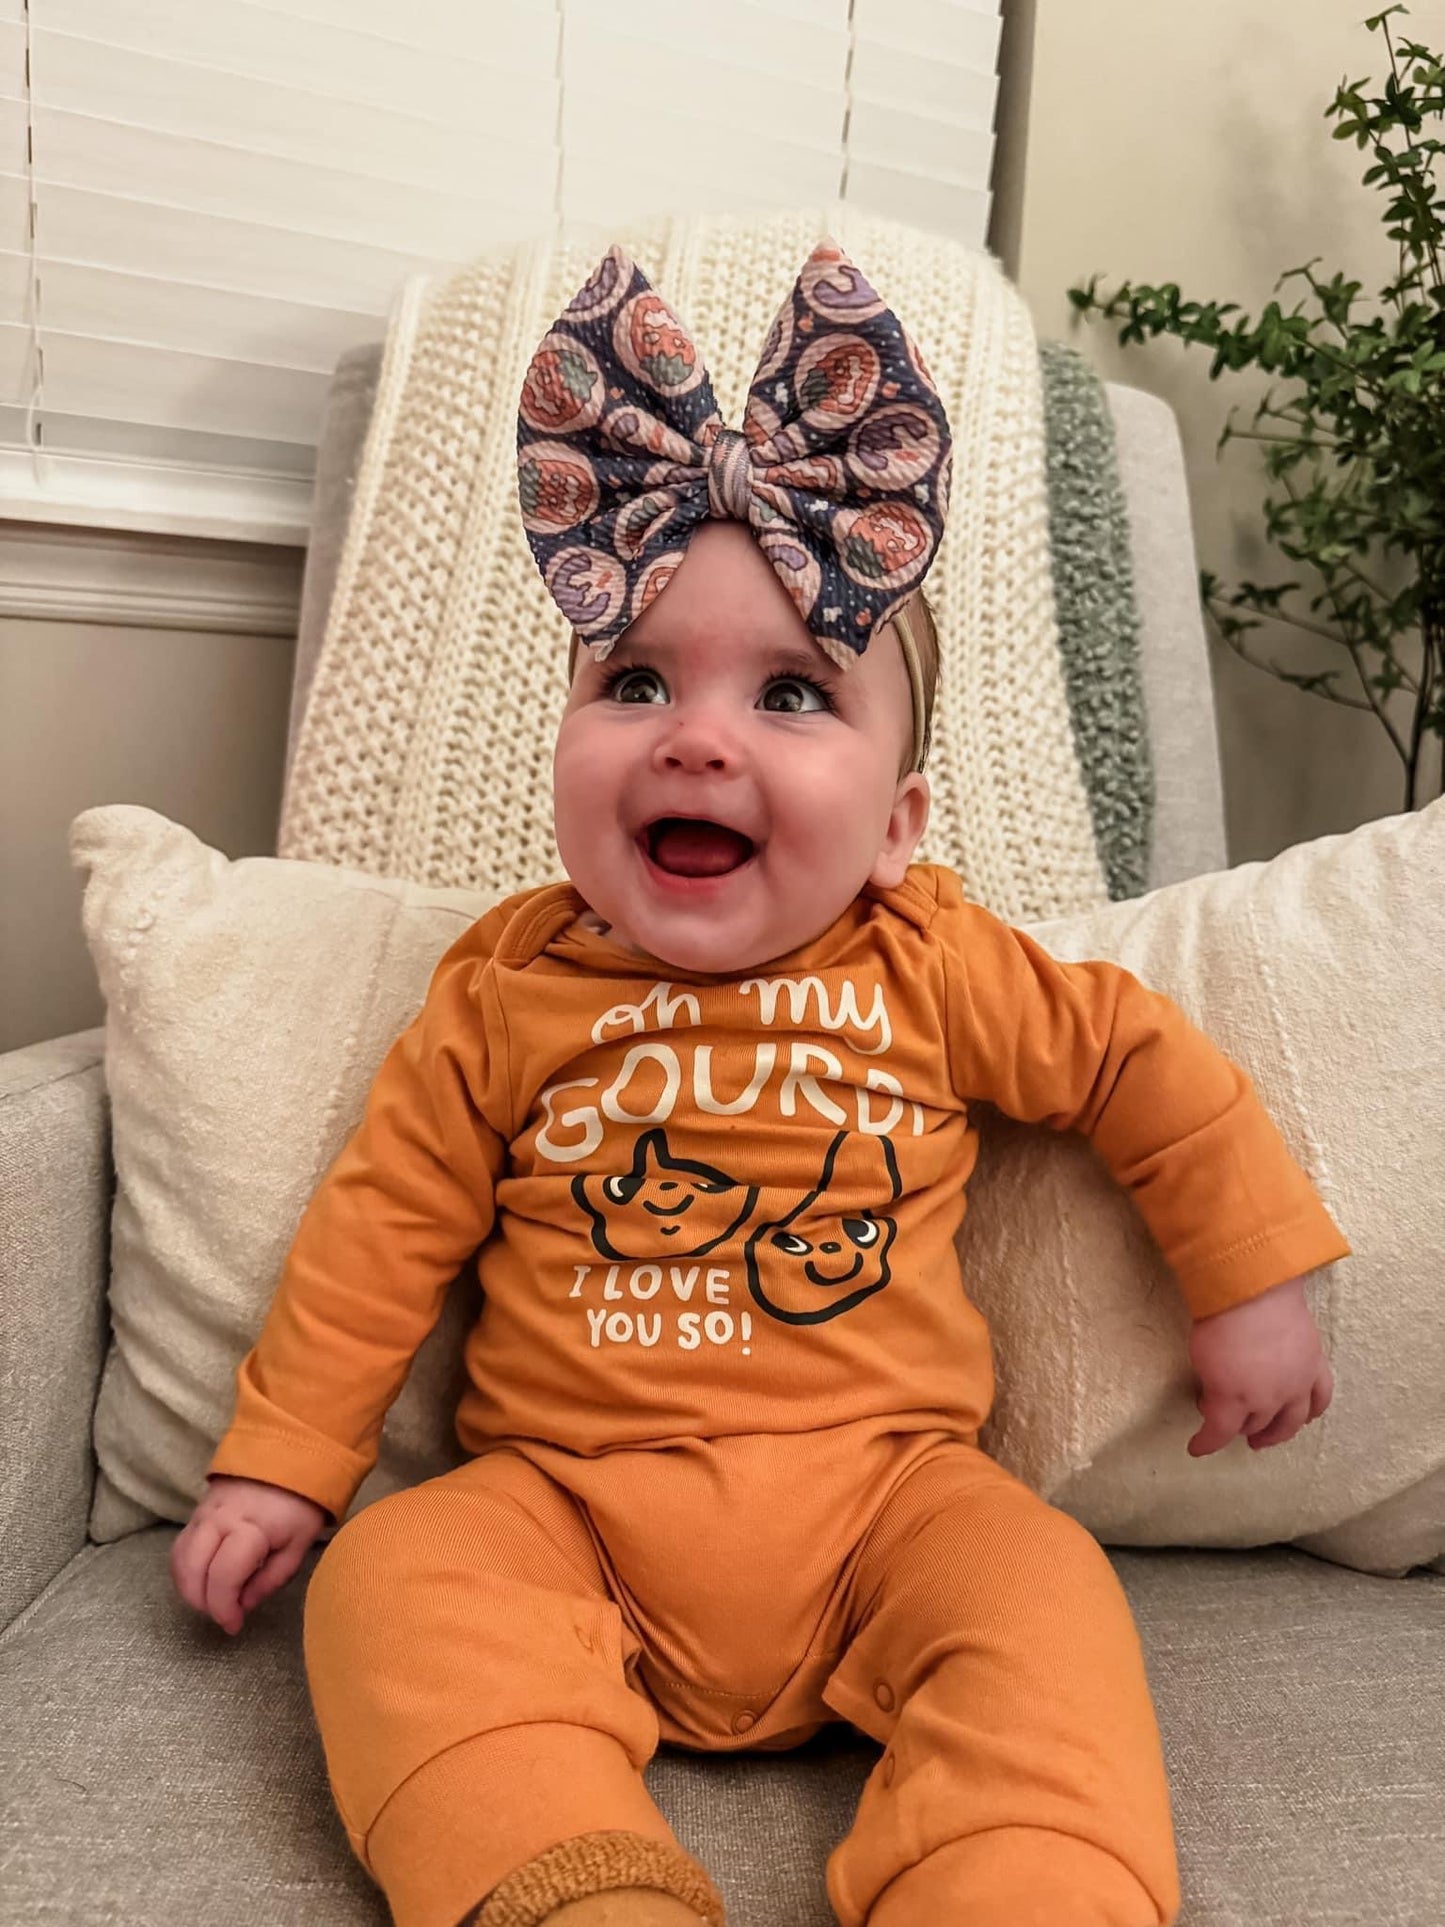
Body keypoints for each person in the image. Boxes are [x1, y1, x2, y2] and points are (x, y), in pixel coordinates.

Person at [171, 242, 1349, 1927]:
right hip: (564, 1506)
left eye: (792, 694)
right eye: (631, 681)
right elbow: (380, 1229)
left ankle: (1017, 1889)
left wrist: (1245, 1278)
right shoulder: (508, 988)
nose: (697, 737)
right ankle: (564, 1887)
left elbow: (1132, 1063)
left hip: (889, 1505)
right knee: (395, 1577)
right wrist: (282, 1461)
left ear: (896, 823)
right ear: (565, 746)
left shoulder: (932, 960)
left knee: (1046, 1597)